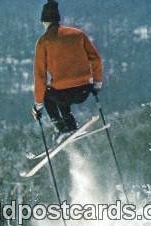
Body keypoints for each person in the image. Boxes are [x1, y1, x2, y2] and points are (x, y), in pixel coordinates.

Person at [31, 0, 103, 137]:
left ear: (45, 21)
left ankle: (61, 128)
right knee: (59, 91)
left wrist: (38, 106)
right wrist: (97, 83)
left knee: (50, 94)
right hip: (84, 90)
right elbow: (96, 59)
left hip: (63, 94)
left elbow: (40, 76)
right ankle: (70, 125)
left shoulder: (44, 41)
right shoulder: (78, 34)